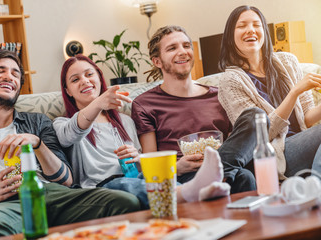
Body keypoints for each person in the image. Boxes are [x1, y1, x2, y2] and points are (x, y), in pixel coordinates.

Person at [0, 49, 141, 239]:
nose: (9, 76)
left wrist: (37, 144)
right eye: (0, 70)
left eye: (15, 73)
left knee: (125, 202)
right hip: (5, 206)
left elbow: (67, 180)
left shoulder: (38, 122)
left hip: (54, 195)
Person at [53, 54, 230, 207]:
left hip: (136, 179)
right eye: (75, 79)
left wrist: (137, 157)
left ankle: (195, 192)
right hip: (100, 188)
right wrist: (98, 103)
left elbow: (143, 167)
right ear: (67, 90)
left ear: (99, 78)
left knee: (152, 182)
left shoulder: (125, 121)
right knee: (127, 185)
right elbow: (72, 133)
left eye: (89, 74)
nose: (84, 81)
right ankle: (190, 193)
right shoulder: (62, 124)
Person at [132, 25, 259, 194]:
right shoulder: (144, 104)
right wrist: (177, 168)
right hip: (185, 178)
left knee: (256, 116)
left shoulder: (220, 95)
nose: (182, 51)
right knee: (245, 177)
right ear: (157, 61)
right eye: (172, 48)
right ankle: (215, 175)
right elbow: (150, 164)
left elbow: (234, 145)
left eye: (186, 46)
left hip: (225, 167)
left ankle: (217, 172)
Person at [218, 5, 321, 180]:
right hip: (275, 155)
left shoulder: (288, 62)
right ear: (230, 36)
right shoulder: (230, 82)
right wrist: (294, 92)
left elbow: (307, 119)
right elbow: (258, 136)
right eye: (242, 26)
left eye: (256, 25)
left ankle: (312, 190)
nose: (250, 30)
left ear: (264, 30)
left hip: (303, 142)